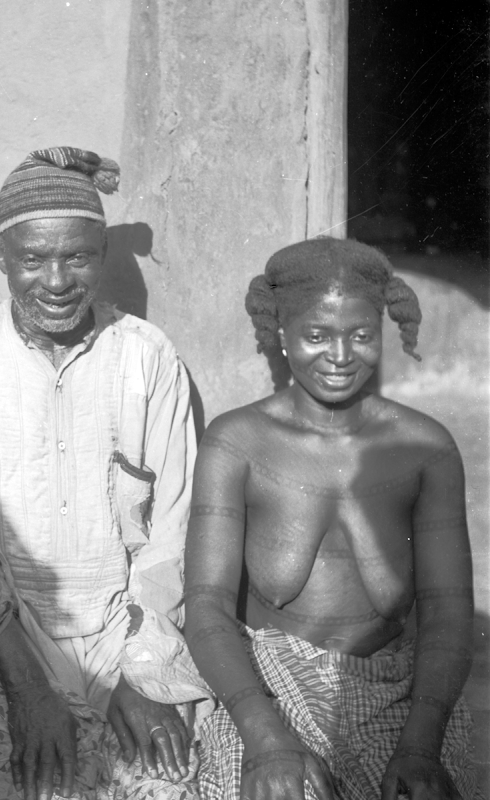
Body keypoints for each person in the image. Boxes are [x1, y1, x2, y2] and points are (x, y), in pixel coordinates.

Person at [0, 147, 210, 800]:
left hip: (126, 637)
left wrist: (137, 679)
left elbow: (171, 537)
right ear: (2, 256)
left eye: (77, 257)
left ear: (103, 251)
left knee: (168, 784)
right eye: (33, 259)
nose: (56, 280)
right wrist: (30, 689)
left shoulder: (147, 359)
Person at [184, 237, 479, 800]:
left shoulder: (425, 448)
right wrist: (265, 738)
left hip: (398, 693)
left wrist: (420, 747)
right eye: (317, 335)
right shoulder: (237, 443)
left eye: (362, 335)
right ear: (281, 335)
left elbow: (447, 610)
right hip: (263, 689)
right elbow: (206, 604)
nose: (342, 356)